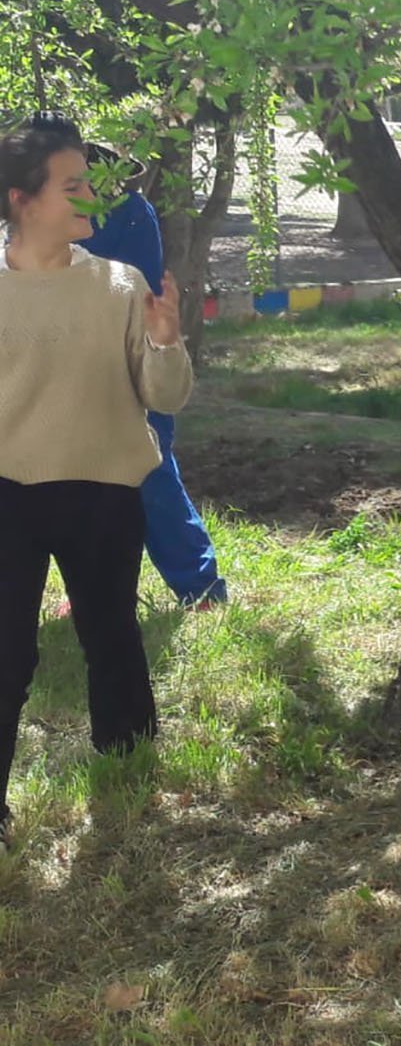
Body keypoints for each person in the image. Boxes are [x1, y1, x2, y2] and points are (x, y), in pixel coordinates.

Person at [0, 115, 192, 847]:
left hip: (105, 493)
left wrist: (167, 343)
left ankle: (129, 782)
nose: (90, 198)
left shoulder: (120, 285)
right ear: (23, 199)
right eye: (73, 185)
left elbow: (164, 397)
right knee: (5, 654)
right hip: (6, 496)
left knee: (112, 635)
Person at [80, 156, 229, 610]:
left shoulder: (127, 210)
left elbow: (136, 294)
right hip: (65, 364)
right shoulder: (31, 213)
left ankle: (199, 586)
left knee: (151, 473)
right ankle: (95, 590)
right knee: (79, 485)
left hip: (128, 362)